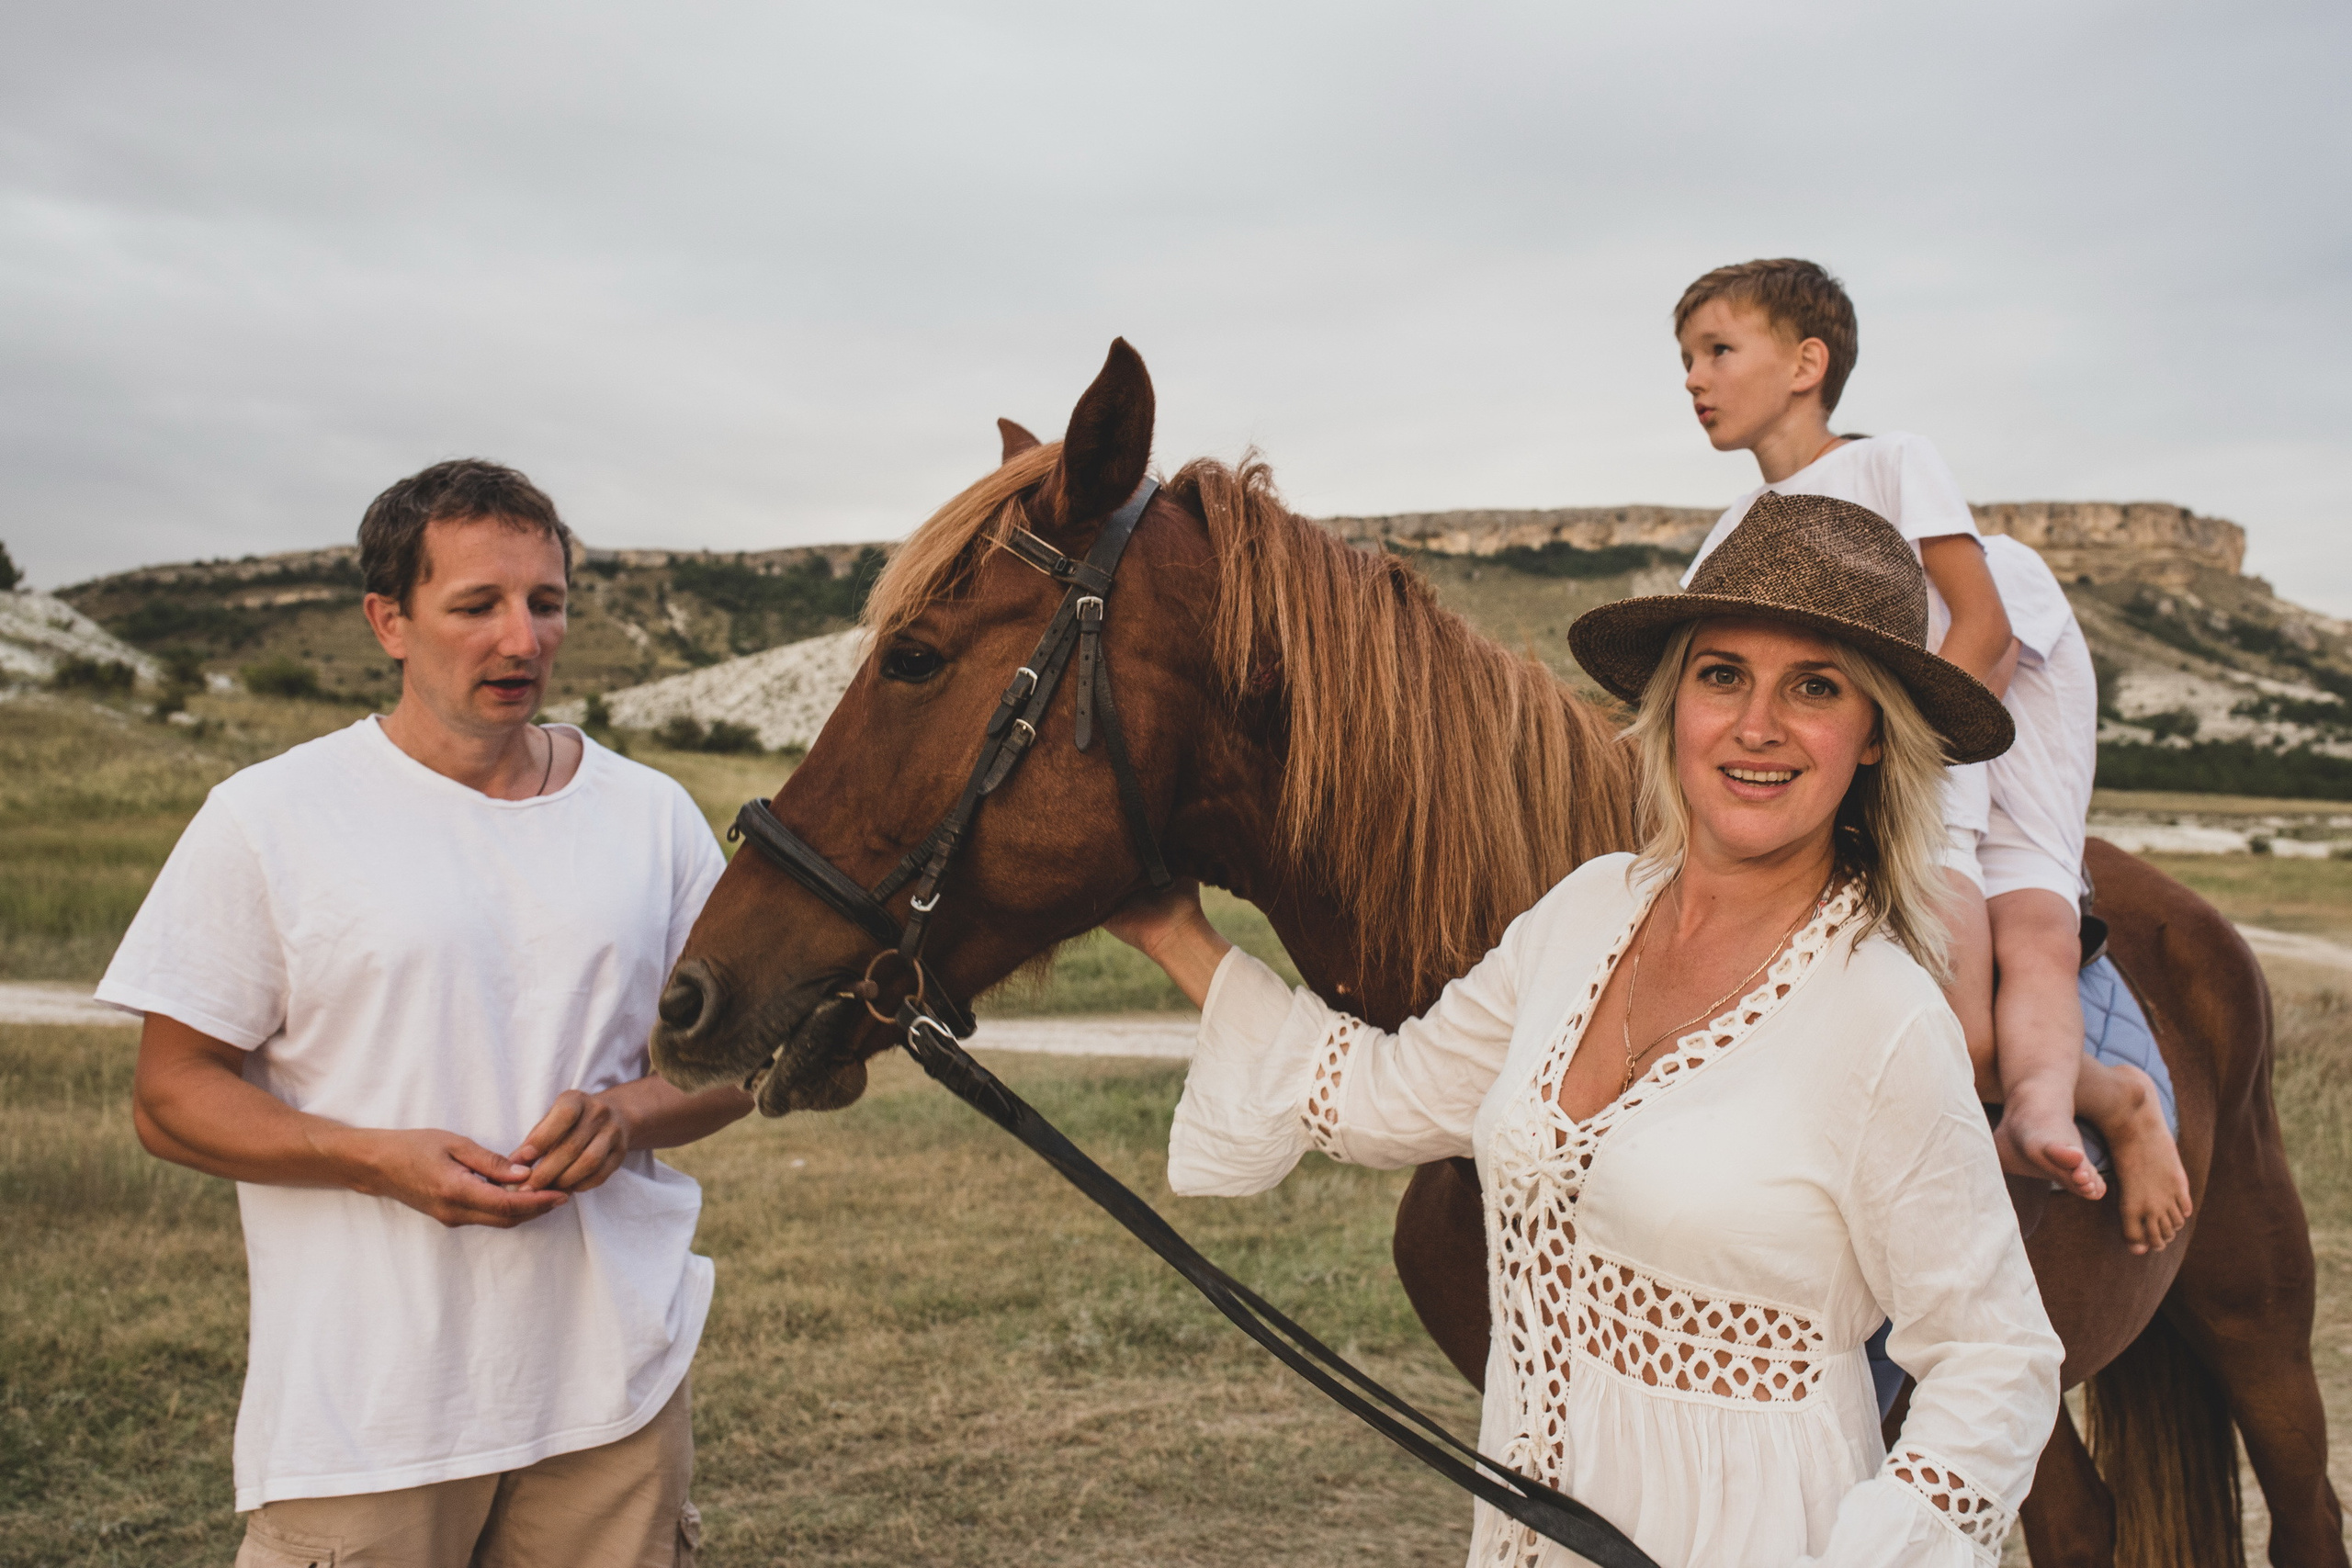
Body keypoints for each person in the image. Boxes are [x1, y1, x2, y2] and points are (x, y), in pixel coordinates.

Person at [1108, 494, 2062, 1567]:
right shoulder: (1587, 910)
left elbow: (1995, 1360)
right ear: (1672, 707)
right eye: (1721, 675)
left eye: (1815, 688)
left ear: (1875, 736)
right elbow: (1384, 1096)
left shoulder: (1882, 1017)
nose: (1756, 725)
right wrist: (1175, 936)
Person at [102, 458, 752, 1567]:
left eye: (545, 603)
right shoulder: (270, 816)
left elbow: (740, 1059)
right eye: (477, 606)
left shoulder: (651, 815)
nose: (523, 639)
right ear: (388, 620)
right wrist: (370, 1159)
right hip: (371, 1414)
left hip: (613, 1395)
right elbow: (170, 1099)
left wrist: (627, 1117)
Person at [1669, 257, 2190, 1255]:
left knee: (2005, 960)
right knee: (1967, 1014)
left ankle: (2108, 1102)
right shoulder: (1735, 530)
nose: (1693, 378)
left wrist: (1897, 771)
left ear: (1805, 363)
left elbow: (1981, 625)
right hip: (1891, 738)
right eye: (1686, 358)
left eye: (1718, 351)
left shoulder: (1891, 460)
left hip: (1953, 722)